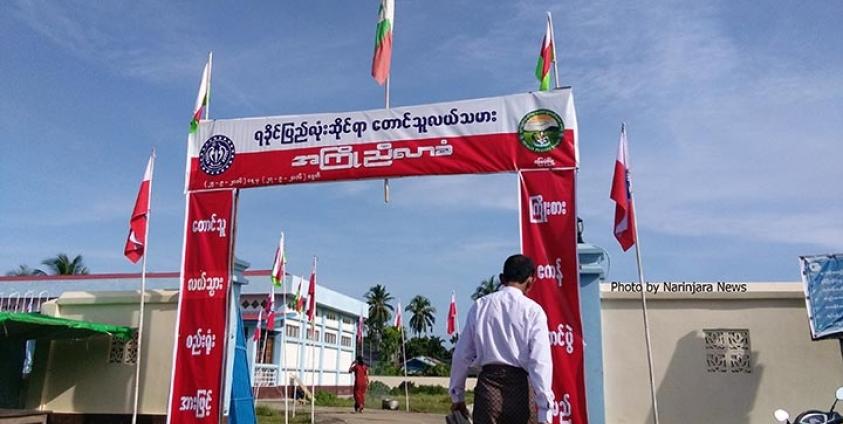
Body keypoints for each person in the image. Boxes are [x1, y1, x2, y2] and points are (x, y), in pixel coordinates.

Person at [449, 254, 554, 424]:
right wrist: (545, 412)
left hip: (487, 393)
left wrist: (457, 396)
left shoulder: (480, 306)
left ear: (501, 278)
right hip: (520, 393)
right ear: (531, 281)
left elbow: (461, 356)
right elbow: (540, 363)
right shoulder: (533, 311)